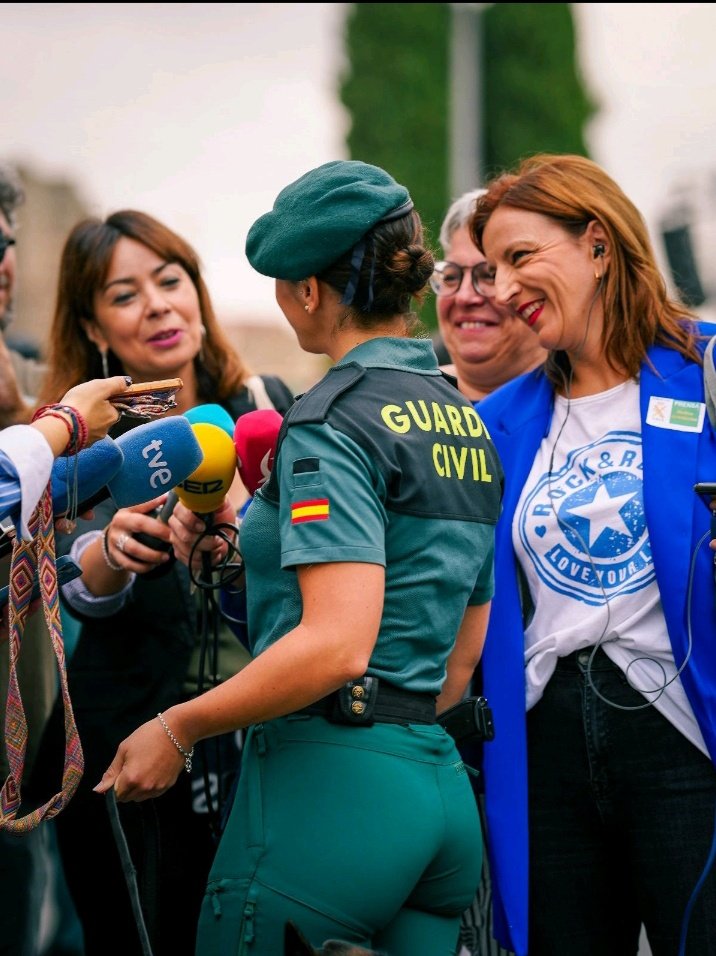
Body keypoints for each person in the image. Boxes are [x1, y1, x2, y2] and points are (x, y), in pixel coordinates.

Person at [94, 159, 504, 956]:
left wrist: (177, 728)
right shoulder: (464, 419)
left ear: (309, 290)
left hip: (330, 790)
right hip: (438, 791)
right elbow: (460, 653)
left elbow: (337, 643)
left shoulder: (328, 421)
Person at [30, 209, 295, 956]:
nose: (156, 304)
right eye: (124, 294)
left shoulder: (273, 408)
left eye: (170, 280)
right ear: (92, 328)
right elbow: (72, 577)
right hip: (128, 753)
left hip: (263, 747)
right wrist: (114, 545)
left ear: (198, 296)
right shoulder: (70, 441)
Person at [470, 153, 716, 956]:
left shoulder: (707, 369)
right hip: (548, 743)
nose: (501, 289)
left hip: (684, 732)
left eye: (520, 258)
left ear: (599, 246)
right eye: (489, 267)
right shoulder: (500, 420)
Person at [432, 189, 545, 956]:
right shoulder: (393, 413)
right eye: (452, 275)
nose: (470, 295)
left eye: (492, 275)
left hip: (556, 758)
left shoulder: (587, 415)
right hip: (433, 750)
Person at [433, 188, 546, 403]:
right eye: (451, 276)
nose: (464, 297)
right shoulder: (404, 405)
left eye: (490, 275)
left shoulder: (583, 409)